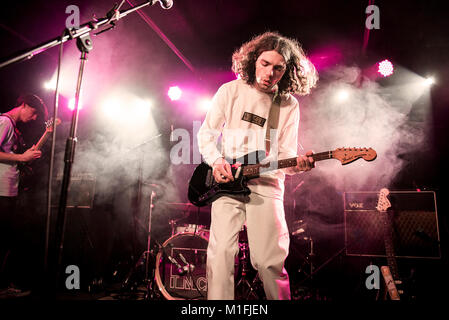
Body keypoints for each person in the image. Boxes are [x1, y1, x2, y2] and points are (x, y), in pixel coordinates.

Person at [197, 32, 318, 300]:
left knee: (268, 261)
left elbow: (286, 155)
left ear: (287, 71)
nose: (269, 73)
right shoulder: (231, 91)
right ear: (253, 60)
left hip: (267, 183)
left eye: (278, 68)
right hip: (228, 182)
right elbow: (206, 135)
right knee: (220, 256)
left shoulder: (288, 104)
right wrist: (217, 161)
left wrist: (298, 165)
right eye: (265, 63)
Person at [0, 93, 48, 296]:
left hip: (8, 191)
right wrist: (21, 157)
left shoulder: (13, 127)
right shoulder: (4, 122)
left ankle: (3, 285)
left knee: (7, 240)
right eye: (34, 112)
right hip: (1, 192)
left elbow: (18, 159)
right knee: (4, 240)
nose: (35, 118)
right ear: (24, 105)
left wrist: (28, 155)